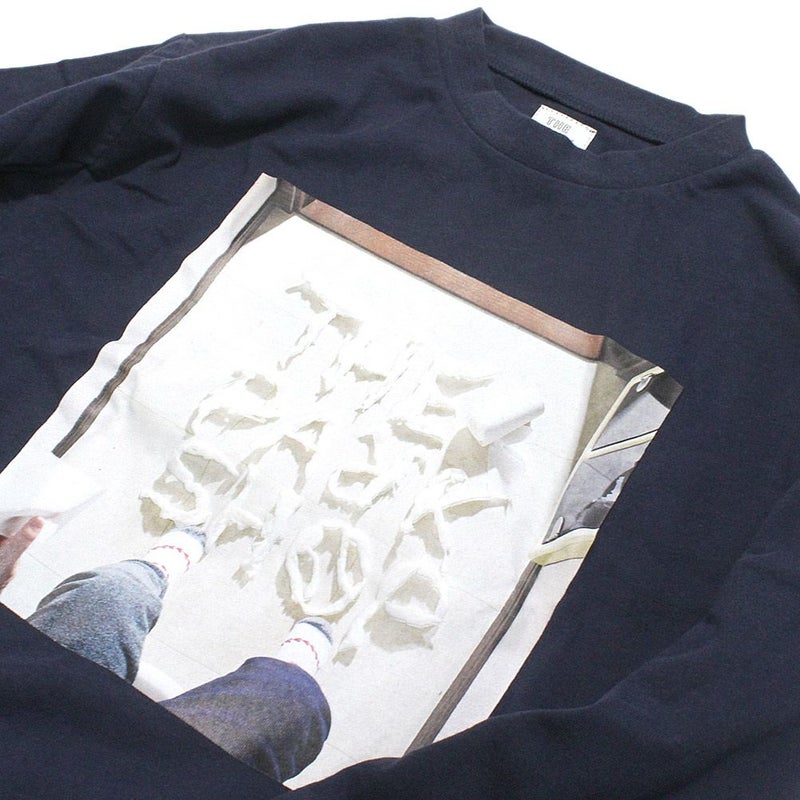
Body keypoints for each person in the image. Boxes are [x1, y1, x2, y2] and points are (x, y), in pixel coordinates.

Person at [0, 518, 332, 784]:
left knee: (112, 593)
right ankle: (294, 665)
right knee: (288, 698)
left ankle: (154, 570)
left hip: (19, 732)